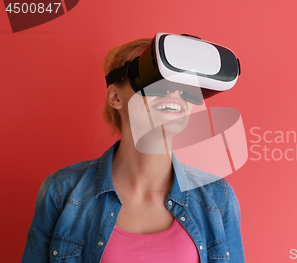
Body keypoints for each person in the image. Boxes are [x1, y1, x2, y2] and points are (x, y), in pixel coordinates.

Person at [21, 37, 245, 263]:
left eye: (184, 84)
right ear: (116, 97)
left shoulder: (218, 197)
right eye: (155, 79)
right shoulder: (62, 192)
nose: (175, 90)